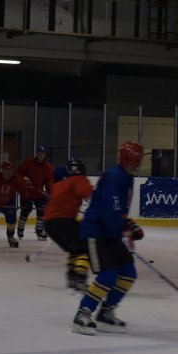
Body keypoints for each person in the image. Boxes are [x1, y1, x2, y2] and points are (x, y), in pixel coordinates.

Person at [71, 141, 145, 336]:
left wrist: (130, 225)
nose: (139, 162)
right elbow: (110, 210)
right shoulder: (115, 176)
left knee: (128, 273)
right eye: (137, 158)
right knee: (108, 275)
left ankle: (105, 313)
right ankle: (83, 313)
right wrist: (124, 227)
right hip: (97, 232)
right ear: (131, 158)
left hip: (111, 233)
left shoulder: (126, 178)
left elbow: (118, 211)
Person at [44, 159, 93, 292]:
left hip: (49, 224)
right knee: (85, 247)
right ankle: (80, 279)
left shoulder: (59, 184)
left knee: (75, 249)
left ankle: (71, 277)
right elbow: (90, 194)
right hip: (64, 221)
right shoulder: (79, 180)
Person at [16, 145, 54, 240]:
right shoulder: (28, 162)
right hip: (27, 192)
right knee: (25, 211)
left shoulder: (48, 167)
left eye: (42, 154)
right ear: (36, 154)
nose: (40, 155)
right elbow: (19, 173)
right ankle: (20, 229)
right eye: (39, 153)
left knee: (42, 211)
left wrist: (50, 192)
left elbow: (49, 181)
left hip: (39, 192)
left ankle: (39, 231)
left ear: (45, 155)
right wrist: (24, 179)